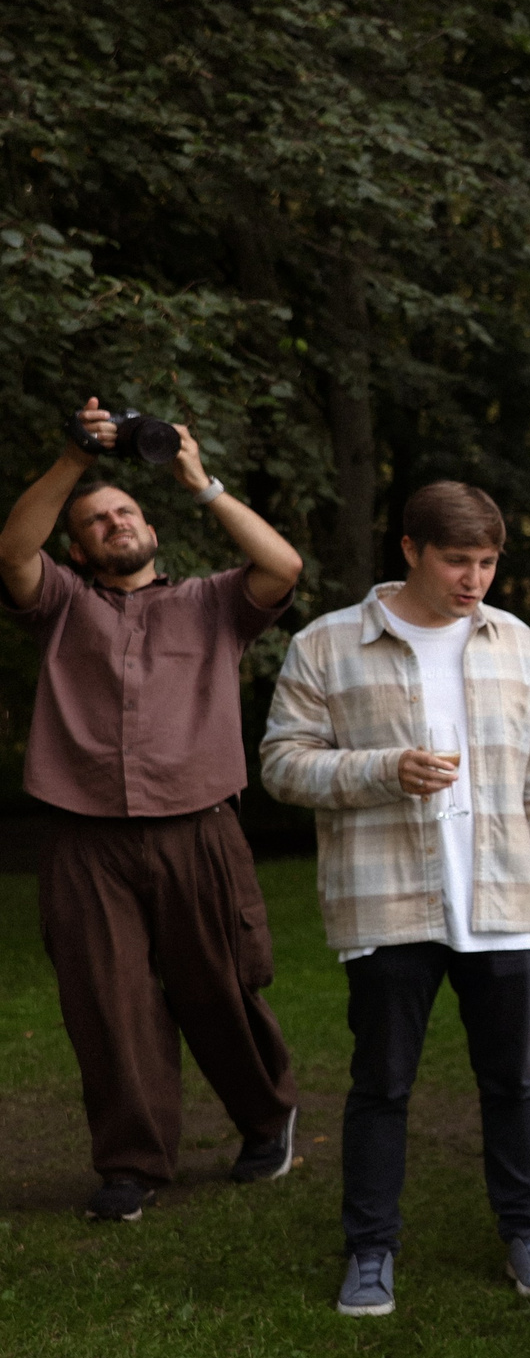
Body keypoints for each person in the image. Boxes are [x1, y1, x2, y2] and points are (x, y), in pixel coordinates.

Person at [261, 481, 530, 1319]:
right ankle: (370, 1251)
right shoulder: (328, 644)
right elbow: (279, 765)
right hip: (386, 904)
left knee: (512, 1082)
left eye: (487, 561)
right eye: (457, 560)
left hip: (501, 900)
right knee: (381, 1084)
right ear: (409, 549)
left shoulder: (518, 644)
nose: (474, 577)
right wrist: (381, 769)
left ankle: (527, 1232)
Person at [0, 399, 304, 1222]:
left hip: (196, 823)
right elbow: (11, 550)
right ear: (77, 545)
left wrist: (198, 482)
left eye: (127, 509)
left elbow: (283, 566)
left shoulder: (212, 602)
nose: (115, 522)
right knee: (108, 1000)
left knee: (217, 985)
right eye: (97, 519)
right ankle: (132, 1163)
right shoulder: (60, 602)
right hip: (83, 833)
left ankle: (266, 1116)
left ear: (153, 527)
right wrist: (74, 459)